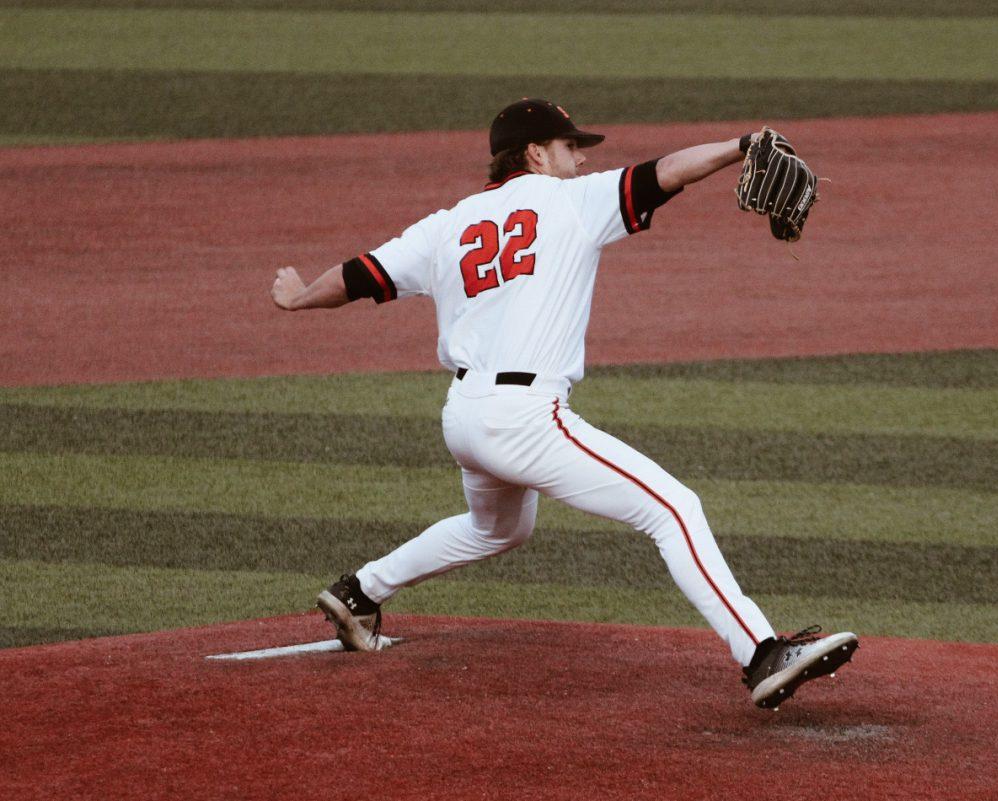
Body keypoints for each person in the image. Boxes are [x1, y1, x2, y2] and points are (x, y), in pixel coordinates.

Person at [270, 98, 857, 709]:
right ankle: (761, 652)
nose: (580, 158)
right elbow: (667, 172)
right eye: (571, 147)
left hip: (465, 414)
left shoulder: (447, 224)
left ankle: (363, 590)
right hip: (524, 418)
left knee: (496, 528)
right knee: (672, 508)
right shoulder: (569, 201)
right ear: (535, 153)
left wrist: (298, 297)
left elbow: (358, 277)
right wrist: (740, 145)